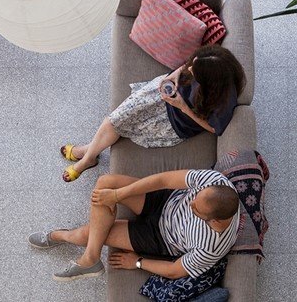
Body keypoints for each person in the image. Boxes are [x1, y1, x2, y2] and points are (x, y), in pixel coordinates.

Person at [60, 45, 245, 182]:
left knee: (120, 125)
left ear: (209, 82)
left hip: (176, 122)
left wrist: (183, 107)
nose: (189, 69)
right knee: (114, 120)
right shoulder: (212, 60)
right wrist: (175, 74)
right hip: (166, 91)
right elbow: (187, 66)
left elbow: (214, 128)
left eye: (194, 71)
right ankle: (89, 155)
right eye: (192, 65)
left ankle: (86, 156)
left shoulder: (224, 99)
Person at [28, 169, 241, 281]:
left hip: (160, 237)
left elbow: (175, 271)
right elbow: (163, 180)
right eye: (195, 197)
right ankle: (91, 258)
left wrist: (137, 262)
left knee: (89, 233)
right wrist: (117, 195)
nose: (191, 202)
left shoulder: (210, 247)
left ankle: (60, 236)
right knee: (105, 184)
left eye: (195, 209)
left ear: (214, 221)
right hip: (165, 201)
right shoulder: (215, 181)